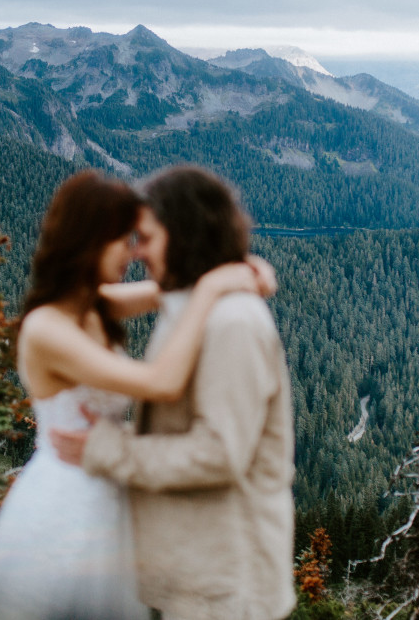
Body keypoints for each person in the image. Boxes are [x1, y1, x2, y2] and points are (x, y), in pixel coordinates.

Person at [0, 169, 273, 620]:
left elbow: (170, 286)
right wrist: (212, 288)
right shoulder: (47, 328)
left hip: (112, 490)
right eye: (123, 240)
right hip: (65, 506)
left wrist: (241, 269)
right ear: (89, 240)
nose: (133, 251)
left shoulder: (93, 304)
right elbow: (162, 382)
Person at [51, 165, 296, 620]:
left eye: (146, 237)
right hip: (197, 572)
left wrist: (108, 448)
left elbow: (219, 453)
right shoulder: (189, 305)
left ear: (183, 234)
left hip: (225, 584)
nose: (137, 251)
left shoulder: (233, 323)